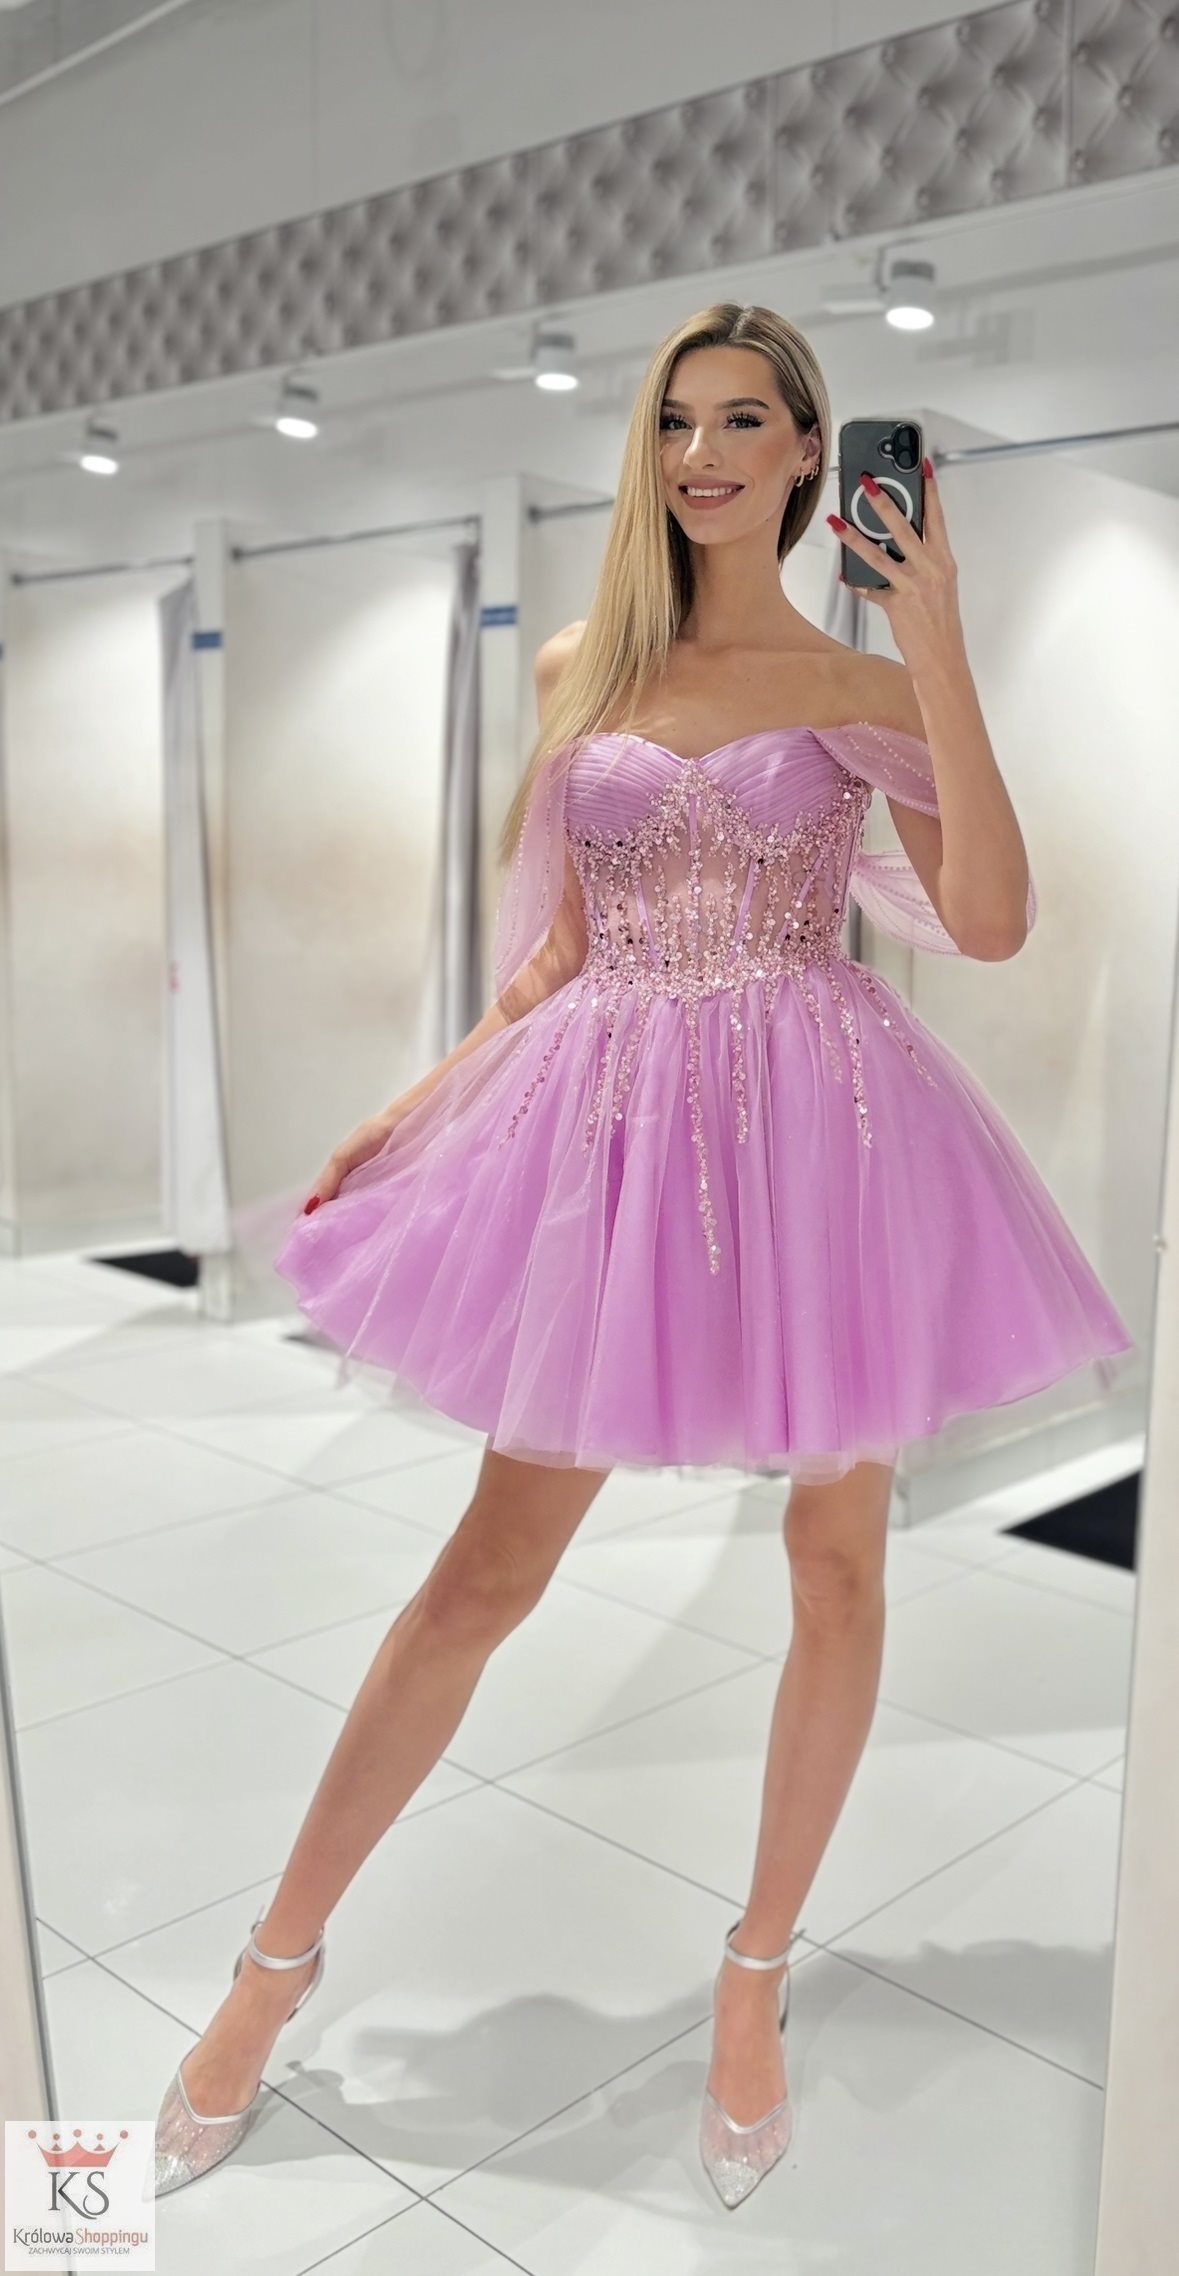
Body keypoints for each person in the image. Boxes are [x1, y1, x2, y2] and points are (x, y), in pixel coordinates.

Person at [150, 301, 1134, 2212]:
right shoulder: (585, 670)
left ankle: (753, 1980)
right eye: (678, 420)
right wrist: (417, 1103)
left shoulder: (857, 686)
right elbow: (562, 952)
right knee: (482, 1575)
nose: (702, 453)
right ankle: (272, 1969)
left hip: (822, 1138)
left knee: (833, 1564)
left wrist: (932, 638)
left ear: (808, 451)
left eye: (744, 420)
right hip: (609, 1139)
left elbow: (995, 919)